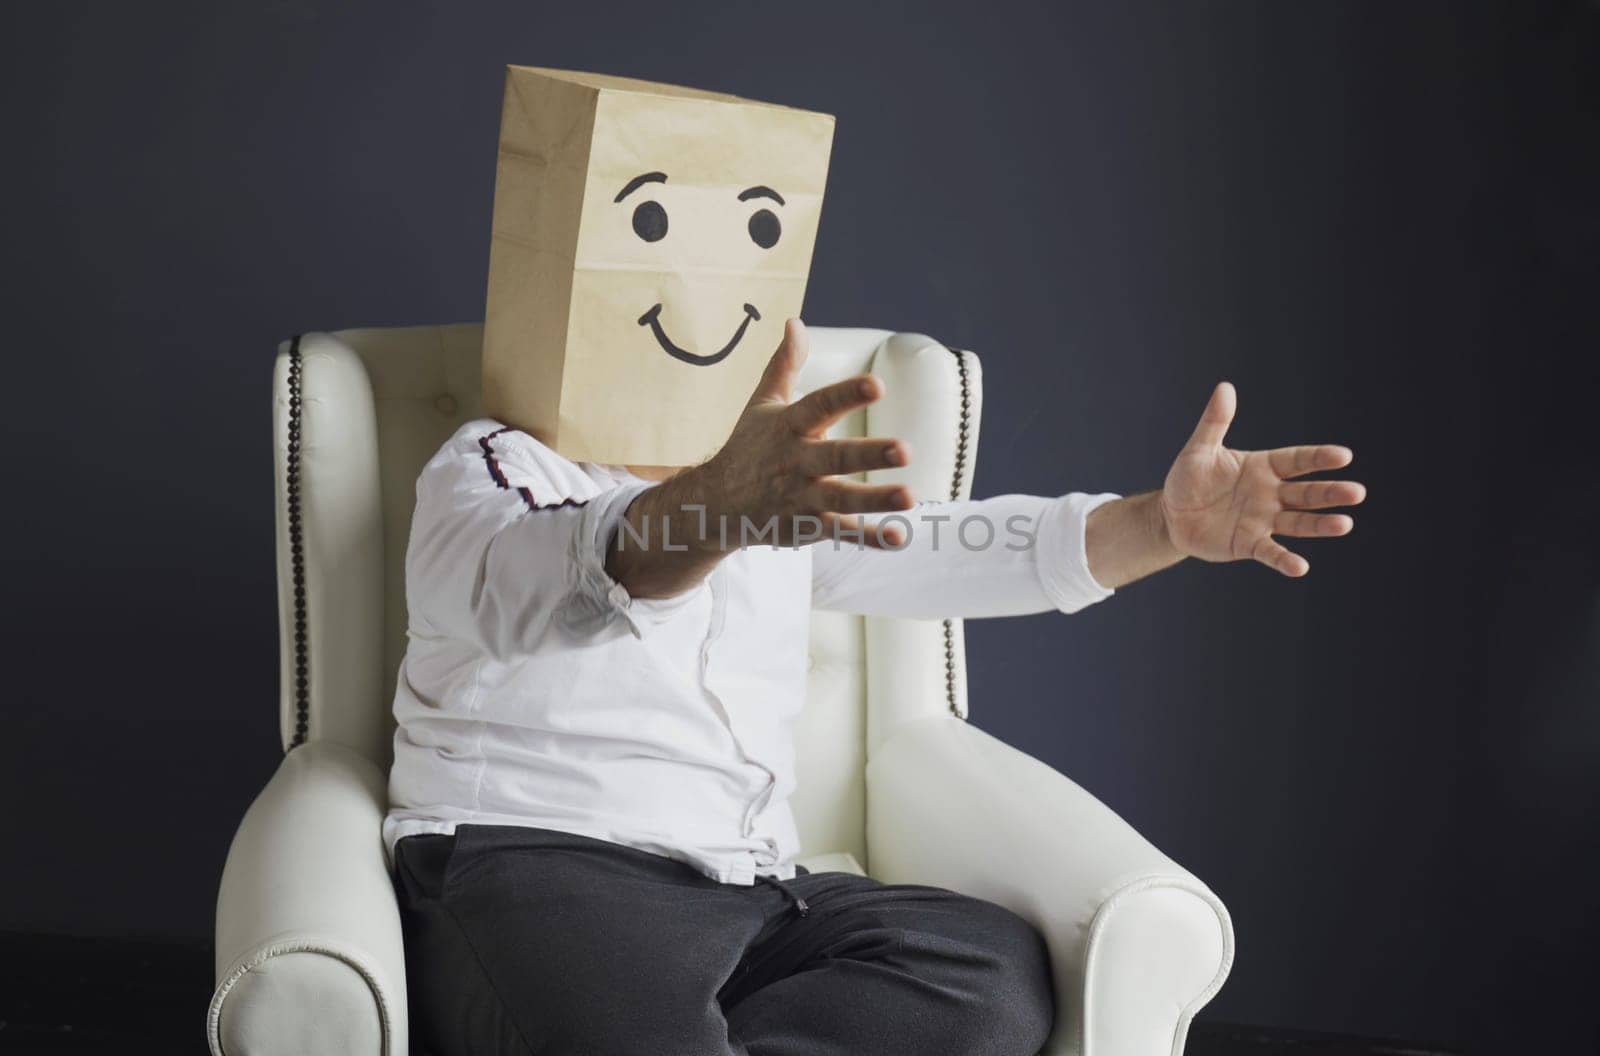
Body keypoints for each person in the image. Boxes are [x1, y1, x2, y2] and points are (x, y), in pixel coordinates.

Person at [386, 318, 1365, 1055]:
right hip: (534, 861)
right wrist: (717, 511)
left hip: (751, 890)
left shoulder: (770, 493)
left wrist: (1159, 526)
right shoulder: (485, 472)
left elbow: (945, 542)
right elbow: (594, 565)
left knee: (985, 977)